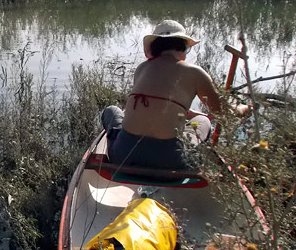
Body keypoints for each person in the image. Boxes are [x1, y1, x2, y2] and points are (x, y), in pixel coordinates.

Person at [101, 20, 248, 170]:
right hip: (171, 162)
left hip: (123, 157)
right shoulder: (196, 73)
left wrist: (190, 113)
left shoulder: (142, 68)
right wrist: (243, 109)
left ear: (155, 48)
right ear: (183, 46)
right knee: (203, 121)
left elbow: (155, 108)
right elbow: (224, 114)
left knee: (111, 110)